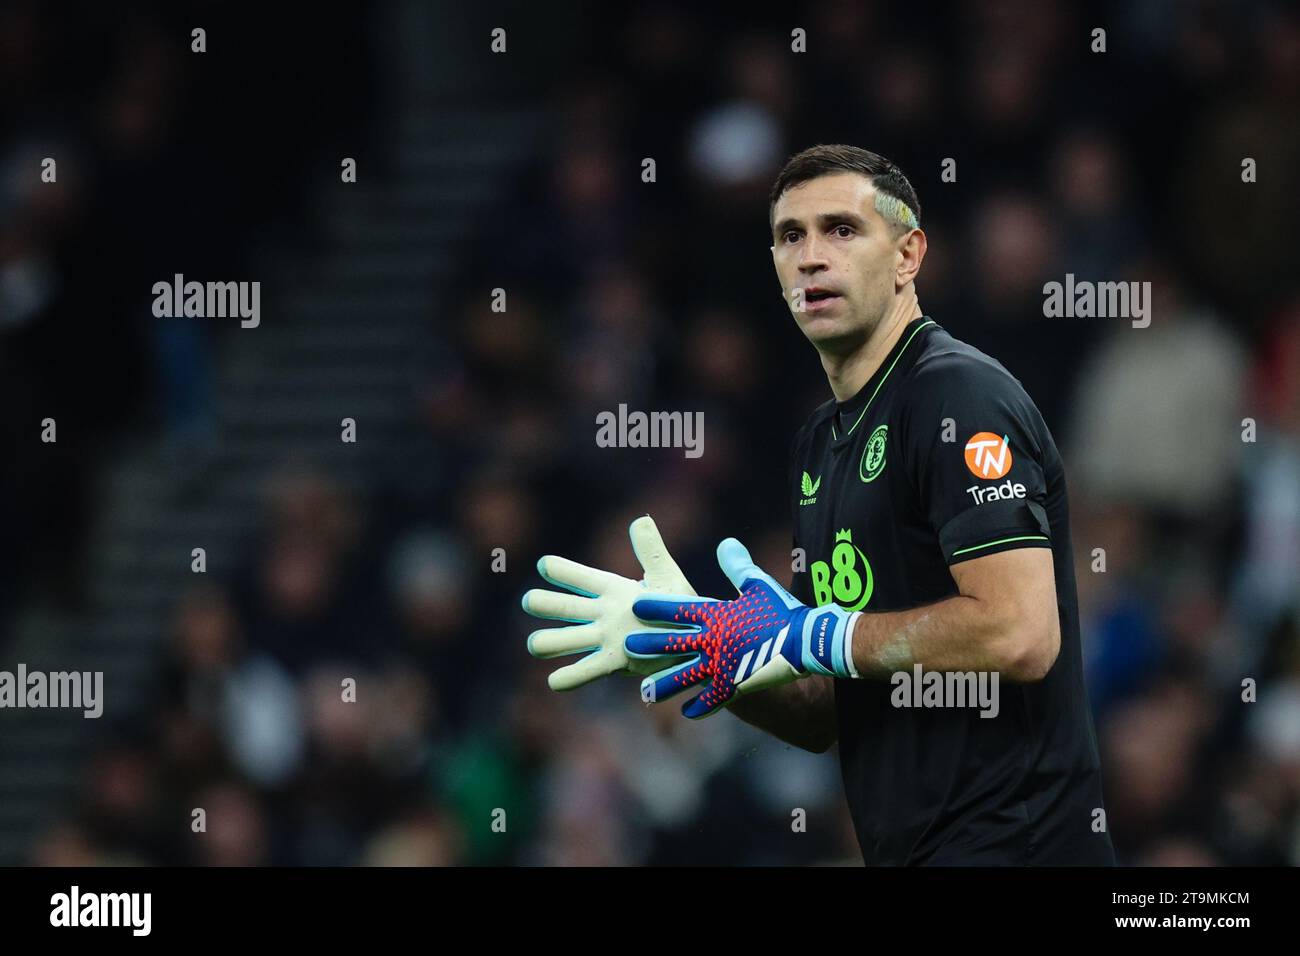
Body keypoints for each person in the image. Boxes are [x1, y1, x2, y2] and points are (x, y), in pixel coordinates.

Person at [524, 145, 1116, 866]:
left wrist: (814, 635)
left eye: (841, 229)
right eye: (790, 236)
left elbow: (1020, 634)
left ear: (908, 256)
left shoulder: (958, 397)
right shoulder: (819, 444)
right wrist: (701, 645)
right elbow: (823, 713)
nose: (810, 257)